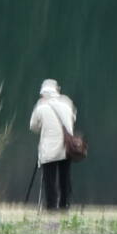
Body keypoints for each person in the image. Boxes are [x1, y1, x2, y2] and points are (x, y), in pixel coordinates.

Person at [28, 79, 78, 212]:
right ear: (56, 90)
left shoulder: (40, 106)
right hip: (67, 147)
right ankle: (64, 205)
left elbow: (33, 126)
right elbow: (73, 119)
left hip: (48, 149)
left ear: (42, 92)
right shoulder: (67, 102)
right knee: (64, 177)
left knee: (49, 179)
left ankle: (51, 206)